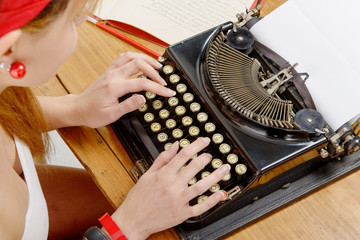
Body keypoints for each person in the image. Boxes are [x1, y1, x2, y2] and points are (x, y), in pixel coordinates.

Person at [0, 0, 231, 239]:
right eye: (71, 21)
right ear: (9, 49)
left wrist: (74, 107)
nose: (79, 24)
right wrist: (129, 227)